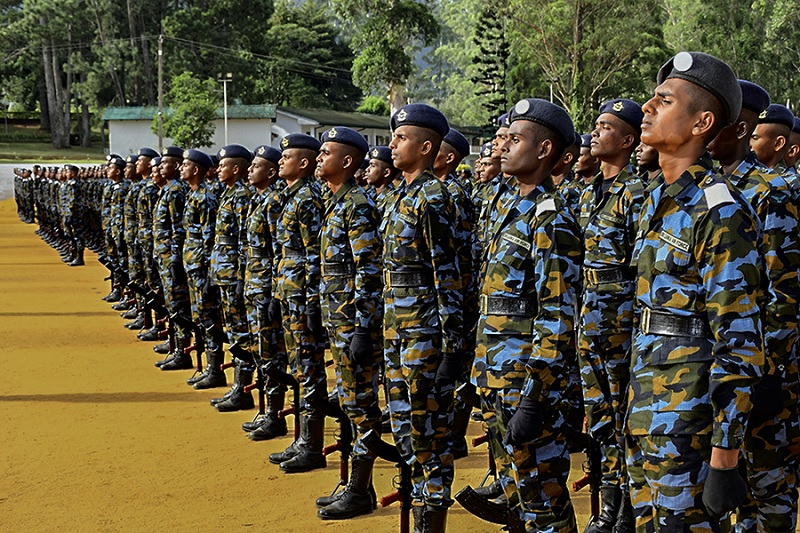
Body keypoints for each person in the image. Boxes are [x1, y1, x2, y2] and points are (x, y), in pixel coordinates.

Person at [626, 51, 762, 530]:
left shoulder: (720, 211)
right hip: (645, 410)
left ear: (702, 121)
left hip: (690, 426)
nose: (646, 107)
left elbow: (740, 340)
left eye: (663, 100)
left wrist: (724, 455)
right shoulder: (655, 202)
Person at [469, 97, 582, 532]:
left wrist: (536, 397)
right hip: (496, 375)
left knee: (542, 497)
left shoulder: (550, 220)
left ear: (544, 151)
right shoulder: (511, 210)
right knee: (518, 495)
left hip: (525, 384)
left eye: (515, 140)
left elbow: (557, 314)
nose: (503, 147)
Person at [707, 80, 800, 533]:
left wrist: (771, 373)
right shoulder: (703, 188)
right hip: (717, 364)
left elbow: (783, 290)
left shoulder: (770, 191)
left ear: (739, 130)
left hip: (762, 363)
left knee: (768, 482)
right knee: (727, 482)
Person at [381, 103, 462, 531]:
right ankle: (417, 511)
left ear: (426, 146)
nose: (392, 144)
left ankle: (431, 518)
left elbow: (447, 275)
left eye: (401, 138)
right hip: (398, 330)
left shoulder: (434, 198)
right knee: (406, 428)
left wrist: (451, 346)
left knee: (430, 431)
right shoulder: (402, 195)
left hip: (426, 335)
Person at [578, 98, 645, 533]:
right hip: (590, 320)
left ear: (628, 140)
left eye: (607, 127)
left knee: (623, 420)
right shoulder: (587, 194)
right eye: (595, 125)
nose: (596, 132)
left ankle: (625, 514)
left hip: (621, 324)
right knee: (600, 419)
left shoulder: (637, 194)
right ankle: (607, 506)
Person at [312, 127, 383, 519]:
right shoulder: (335, 202)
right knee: (351, 405)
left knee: (360, 406)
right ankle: (356, 485)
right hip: (337, 321)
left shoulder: (357, 205)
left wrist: (361, 328)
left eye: (327, 153)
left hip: (353, 324)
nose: (320, 158)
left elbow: (368, 272)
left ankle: (359, 489)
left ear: (348, 161)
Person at [266, 134, 327, 473]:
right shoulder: (290, 197)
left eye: (286, 157)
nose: (280, 162)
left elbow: (313, 255)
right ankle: (303, 439)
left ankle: (312, 444)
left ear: (302, 163)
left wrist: (312, 302)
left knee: (310, 369)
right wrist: (279, 294)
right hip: (290, 294)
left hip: (302, 296)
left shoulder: (306, 200)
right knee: (300, 368)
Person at [242, 145, 289, 440]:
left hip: (266, 288)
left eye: (256, 166)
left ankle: (274, 415)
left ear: (270, 172)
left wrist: (273, 293)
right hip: (254, 285)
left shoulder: (273, 203)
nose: (250, 170)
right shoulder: (259, 200)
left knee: (272, 354)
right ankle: (266, 411)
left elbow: (277, 251)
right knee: (261, 352)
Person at [209, 144, 256, 411]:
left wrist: (239, 277)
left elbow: (242, 241)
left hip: (234, 274)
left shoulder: (241, 196)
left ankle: (243, 388)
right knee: (235, 332)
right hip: (225, 273)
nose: (218, 170)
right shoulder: (230, 194)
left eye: (224, 165)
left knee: (241, 334)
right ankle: (239, 385)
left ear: (236, 169)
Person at [180, 149, 226, 390]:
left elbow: (210, 239)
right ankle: (209, 366)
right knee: (199, 317)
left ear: (196, 169)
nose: (181, 169)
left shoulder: (205, 198)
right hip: (193, 264)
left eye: (185, 165)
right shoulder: (193, 194)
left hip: (201, 265)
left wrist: (210, 273)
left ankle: (215, 369)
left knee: (209, 320)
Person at [151, 146, 193, 371]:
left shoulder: (176, 191)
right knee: (171, 303)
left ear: (175, 166)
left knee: (178, 305)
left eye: (164, 163)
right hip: (165, 256)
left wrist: (175, 259)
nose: (159, 167)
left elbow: (179, 228)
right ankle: (176, 344)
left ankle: (182, 351)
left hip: (172, 258)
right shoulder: (168, 189)